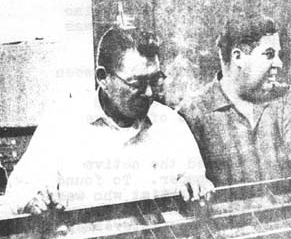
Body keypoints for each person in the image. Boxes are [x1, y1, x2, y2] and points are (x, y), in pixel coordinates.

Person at [3, 26, 213, 215]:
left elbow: (197, 181)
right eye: (137, 83)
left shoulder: (172, 125)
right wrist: (33, 200)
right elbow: (19, 194)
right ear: (103, 78)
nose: (149, 93)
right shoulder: (62, 124)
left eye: (154, 79)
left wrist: (196, 185)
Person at [179, 13, 291, 237]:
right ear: (238, 57)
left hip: (290, 233)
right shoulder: (194, 112)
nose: (278, 63)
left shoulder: (286, 97)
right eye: (269, 55)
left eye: (278, 55)